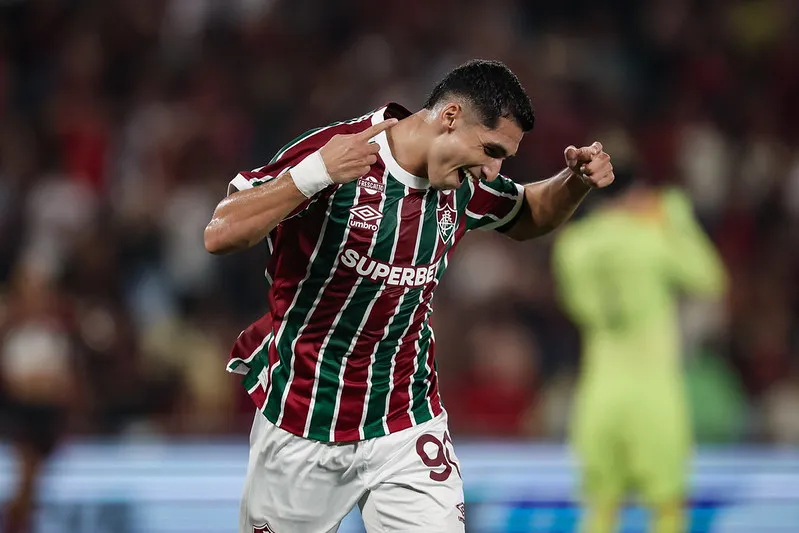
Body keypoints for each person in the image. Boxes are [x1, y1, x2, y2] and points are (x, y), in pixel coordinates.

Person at [204, 59, 615, 533]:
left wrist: (575, 182)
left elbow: (526, 214)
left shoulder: (461, 183)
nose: (492, 170)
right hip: (303, 419)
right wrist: (312, 176)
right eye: (491, 149)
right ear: (450, 116)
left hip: (405, 421)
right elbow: (220, 232)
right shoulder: (342, 152)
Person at [552, 180, 727, 533]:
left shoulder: (572, 245)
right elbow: (710, 280)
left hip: (600, 394)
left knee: (599, 512)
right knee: (667, 511)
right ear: (635, 195)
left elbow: (577, 306)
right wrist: (677, 219)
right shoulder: (651, 239)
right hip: (654, 396)